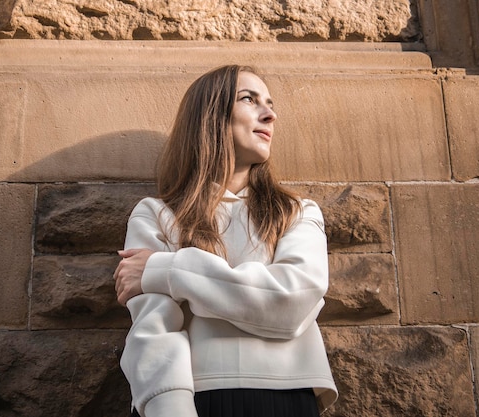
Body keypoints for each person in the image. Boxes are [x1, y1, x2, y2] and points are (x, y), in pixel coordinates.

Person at [113, 65, 337, 417]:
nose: (270, 114)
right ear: (209, 117)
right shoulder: (155, 214)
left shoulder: (296, 212)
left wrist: (166, 269)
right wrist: (171, 408)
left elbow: (292, 300)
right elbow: (153, 332)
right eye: (249, 99)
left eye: (270, 103)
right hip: (191, 399)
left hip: (287, 398)